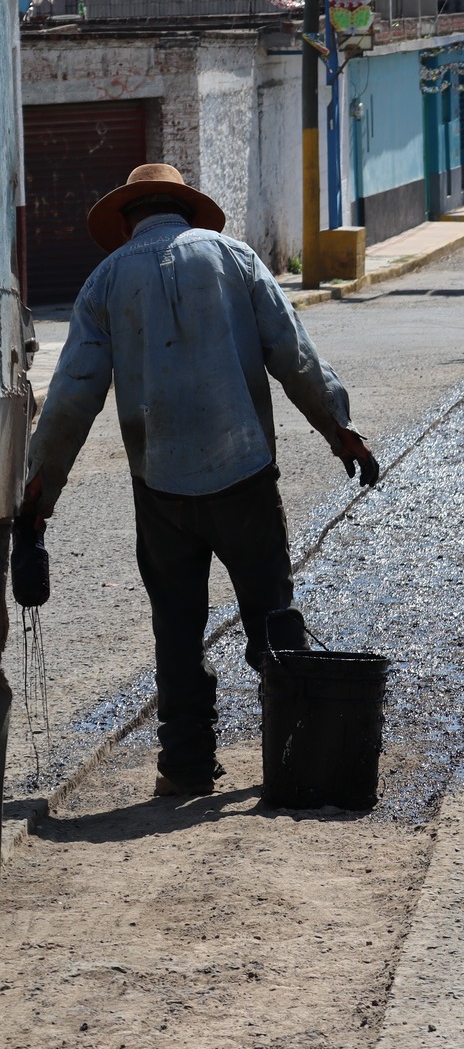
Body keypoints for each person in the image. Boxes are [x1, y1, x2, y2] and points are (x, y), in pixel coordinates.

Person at [17, 164, 380, 800]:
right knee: (271, 616)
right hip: (245, 477)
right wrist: (339, 429)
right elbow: (294, 355)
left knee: (177, 630)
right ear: (184, 209)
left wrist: (37, 498)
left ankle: (184, 767)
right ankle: (296, 755)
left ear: (129, 219)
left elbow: (72, 398)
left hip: (159, 489)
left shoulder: (106, 279)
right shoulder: (236, 259)